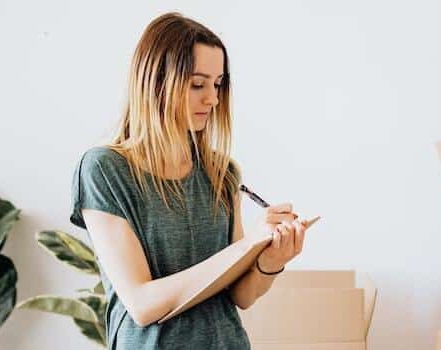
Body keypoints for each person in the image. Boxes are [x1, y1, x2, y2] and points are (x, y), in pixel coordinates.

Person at [69, 12, 310, 350]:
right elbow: (142, 305)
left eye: (217, 84)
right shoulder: (105, 170)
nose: (212, 98)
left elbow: (239, 295)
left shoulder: (221, 172)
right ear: (155, 82)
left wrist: (270, 260)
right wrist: (245, 246)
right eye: (198, 84)